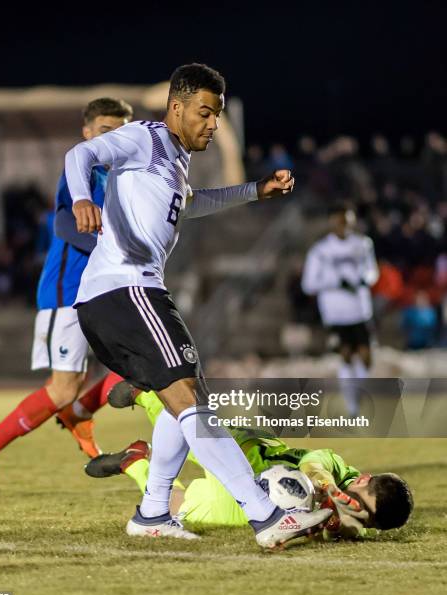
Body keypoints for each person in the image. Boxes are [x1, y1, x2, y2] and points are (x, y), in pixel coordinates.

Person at [65, 62, 332, 548]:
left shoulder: (173, 160)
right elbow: (80, 154)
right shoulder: (144, 136)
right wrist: (83, 199)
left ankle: (152, 513)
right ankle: (266, 515)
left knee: (182, 399)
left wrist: (256, 190)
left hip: (127, 293)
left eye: (218, 115)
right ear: (177, 107)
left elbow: (192, 203)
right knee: (188, 397)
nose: (212, 124)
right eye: (205, 114)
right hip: (124, 290)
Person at [0, 98, 133, 500]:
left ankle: (79, 412)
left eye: (122, 132)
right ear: (87, 133)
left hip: (103, 289)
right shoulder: (83, 167)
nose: (116, 140)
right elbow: (62, 221)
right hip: (67, 292)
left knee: (143, 362)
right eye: (108, 131)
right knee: (61, 389)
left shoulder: (118, 175)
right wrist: (109, 248)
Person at [86, 387, 413, 541]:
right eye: (358, 502)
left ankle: (137, 460)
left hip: (248, 503)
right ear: (362, 479)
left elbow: (347, 528)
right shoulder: (338, 468)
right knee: (182, 420)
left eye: (365, 518)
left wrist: (344, 525)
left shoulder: (349, 524)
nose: (354, 511)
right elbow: (316, 464)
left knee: (178, 510)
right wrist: (326, 488)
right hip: (247, 451)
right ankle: (149, 391)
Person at [301, 206, 379, 416]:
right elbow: (308, 284)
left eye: (347, 221)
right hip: (336, 314)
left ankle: (360, 397)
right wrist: (336, 282)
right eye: (339, 221)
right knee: (345, 356)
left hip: (361, 311)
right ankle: (352, 407)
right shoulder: (320, 250)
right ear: (332, 222)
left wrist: (364, 279)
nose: (344, 225)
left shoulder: (363, 244)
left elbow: (373, 271)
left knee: (366, 357)